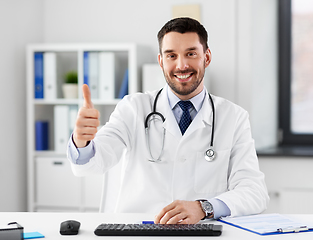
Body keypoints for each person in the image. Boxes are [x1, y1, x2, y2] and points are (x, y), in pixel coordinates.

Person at [67, 17, 269, 224]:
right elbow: (92, 164)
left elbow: (254, 192)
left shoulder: (234, 117)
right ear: (161, 61)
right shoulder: (133, 108)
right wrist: (82, 141)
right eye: (171, 55)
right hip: (140, 231)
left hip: (201, 232)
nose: (181, 65)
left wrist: (204, 207)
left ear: (206, 57)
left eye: (191, 54)